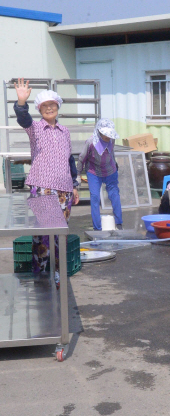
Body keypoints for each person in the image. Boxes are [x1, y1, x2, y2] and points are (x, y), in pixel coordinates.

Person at [14, 78, 80, 286]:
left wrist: (75, 185)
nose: (49, 108)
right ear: (40, 110)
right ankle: (41, 274)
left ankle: (58, 274)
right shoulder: (35, 129)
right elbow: (23, 118)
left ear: (58, 107)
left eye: (53, 105)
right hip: (42, 188)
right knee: (43, 234)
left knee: (60, 233)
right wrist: (21, 102)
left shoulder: (65, 131)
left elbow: (70, 159)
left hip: (65, 190)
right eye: (45, 106)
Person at [77, 119, 123, 231]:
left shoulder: (111, 140)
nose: (108, 137)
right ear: (99, 132)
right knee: (95, 197)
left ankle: (119, 224)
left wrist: (115, 166)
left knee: (114, 194)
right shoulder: (90, 142)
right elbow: (81, 158)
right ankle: (97, 228)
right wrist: (78, 175)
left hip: (110, 170)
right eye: (105, 134)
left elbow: (111, 153)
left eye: (109, 134)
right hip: (94, 172)